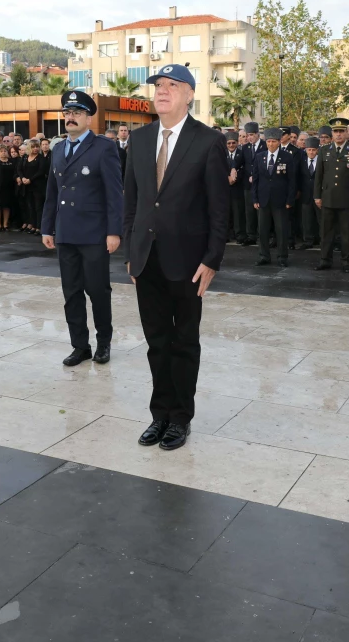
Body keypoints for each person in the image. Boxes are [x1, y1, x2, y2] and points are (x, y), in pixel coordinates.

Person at [123, 64, 227, 451]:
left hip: (188, 262)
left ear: (189, 95)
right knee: (156, 341)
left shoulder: (208, 141)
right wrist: (133, 254)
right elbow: (131, 202)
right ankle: (159, 415)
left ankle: (180, 418)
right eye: (158, 85)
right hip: (147, 259)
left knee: (184, 342)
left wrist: (212, 259)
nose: (163, 91)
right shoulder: (140, 138)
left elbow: (219, 208)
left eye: (173, 85)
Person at [41, 90, 123, 366]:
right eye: (67, 113)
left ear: (89, 118)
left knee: (98, 291)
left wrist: (114, 231)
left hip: (94, 234)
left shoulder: (103, 147)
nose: (70, 118)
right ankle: (80, 346)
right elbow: (52, 192)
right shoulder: (58, 149)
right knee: (71, 293)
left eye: (76, 113)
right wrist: (47, 228)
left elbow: (115, 193)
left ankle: (103, 343)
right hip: (66, 233)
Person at [313, 117, 349, 272]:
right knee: (326, 232)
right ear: (332, 133)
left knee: (347, 233)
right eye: (336, 131)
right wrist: (317, 196)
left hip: (347, 199)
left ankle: (347, 262)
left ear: (347, 133)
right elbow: (318, 176)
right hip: (327, 198)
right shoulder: (323, 150)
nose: (339, 135)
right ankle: (325, 260)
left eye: (341, 131)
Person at [252, 125, 295, 267]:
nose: (271, 144)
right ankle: (264, 255)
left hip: (280, 200)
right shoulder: (260, 157)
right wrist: (255, 198)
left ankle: (282, 257)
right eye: (268, 141)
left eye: (274, 141)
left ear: (278, 142)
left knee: (281, 231)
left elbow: (291, 180)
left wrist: (290, 199)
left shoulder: (287, 157)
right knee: (262, 230)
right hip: (263, 199)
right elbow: (256, 179)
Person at [239, 121, 263, 246]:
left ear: (258, 134)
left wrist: (256, 176)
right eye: (248, 135)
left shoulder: (265, 145)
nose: (249, 138)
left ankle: (262, 235)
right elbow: (239, 162)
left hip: (261, 184)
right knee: (249, 211)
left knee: (261, 211)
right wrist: (233, 168)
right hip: (248, 185)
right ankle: (251, 235)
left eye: (252, 135)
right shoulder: (245, 147)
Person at [17, 140, 46, 235]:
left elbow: (41, 171)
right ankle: (33, 225)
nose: (36, 149)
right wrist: (23, 178)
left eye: (37, 146)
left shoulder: (41, 158)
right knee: (30, 206)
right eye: (33, 147)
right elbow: (19, 169)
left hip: (38, 186)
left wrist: (30, 179)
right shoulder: (25, 157)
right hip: (26, 186)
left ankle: (39, 227)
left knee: (38, 207)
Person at [224, 131, 247, 243]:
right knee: (226, 213)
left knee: (238, 213)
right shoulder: (221, 154)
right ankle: (226, 235)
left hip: (238, 188)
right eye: (229, 143)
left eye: (233, 143)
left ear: (237, 143)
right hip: (225, 188)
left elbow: (245, 169)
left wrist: (235, 178)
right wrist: (227, 178)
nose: (231, 145)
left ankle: (239, 235)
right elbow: (218, 169)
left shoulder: (242, 154)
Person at [299, 136, 321, 249]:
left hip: (319, 195)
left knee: (321, 219)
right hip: (306, 195)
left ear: (317, 150)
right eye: (309, 150)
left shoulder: (322, 161)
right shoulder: (301, 161)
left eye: (313, 150)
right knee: (306, 220)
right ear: (306, 150)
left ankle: (322, 240)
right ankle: (308, 240)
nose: (311, 152)